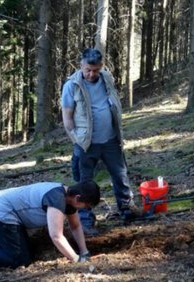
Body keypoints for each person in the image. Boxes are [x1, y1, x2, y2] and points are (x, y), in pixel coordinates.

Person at [61, 48, 140, 236]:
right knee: (84, 182)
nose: (91, 74)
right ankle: (86, 220)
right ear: (81, 66)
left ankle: (127, 209)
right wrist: (76, 141)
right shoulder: (72, 86)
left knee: (120, 175)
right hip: (86, 143)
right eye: (88, 69)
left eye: (95, 70)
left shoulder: (106, 78)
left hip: (111, 139)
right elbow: (67, 118)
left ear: (101, 67)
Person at [0, 180, 101, 273]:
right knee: (20, 260)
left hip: (6, 210)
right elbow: (56, 236)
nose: (84, 209)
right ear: (77, 198)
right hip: (1, 211)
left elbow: (75, 226)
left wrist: (84, 252)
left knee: (24, 251)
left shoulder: (67, 199)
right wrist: (76, 259)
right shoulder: (57, 199)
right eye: (86, 206)